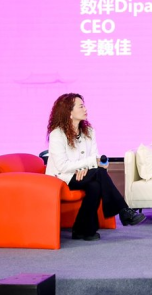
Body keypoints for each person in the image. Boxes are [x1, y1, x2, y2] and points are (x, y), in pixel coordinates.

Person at [44, 93, 146, 241]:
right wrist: (88, 165)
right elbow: (62, 166)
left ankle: (82, 230)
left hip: (83, 175)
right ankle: (123, 211)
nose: (85, 109)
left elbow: (95, 158)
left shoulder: (89, 131)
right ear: (69, 112)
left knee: (95, 186)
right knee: (97, 174)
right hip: (61, 178)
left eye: (84, 105)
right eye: (81, 106)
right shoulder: (57, 134)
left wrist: (91, 166)